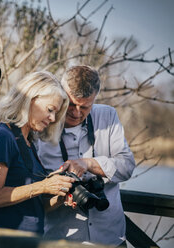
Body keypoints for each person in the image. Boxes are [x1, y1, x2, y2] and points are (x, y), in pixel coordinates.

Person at [35, 65, 136, 246]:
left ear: (95, 98)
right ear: (62, 93)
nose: (76, 113)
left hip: (110, 238)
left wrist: (88, 164)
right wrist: (61, 190)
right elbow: (32, 189)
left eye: (85, 107)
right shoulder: (41, 124)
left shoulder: (108, 115)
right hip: (61, 240)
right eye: (71, 104)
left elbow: (127, 166)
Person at [0, 71, 76, 234]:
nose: (52, 118)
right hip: (2, 241)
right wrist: (43, 186)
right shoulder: (2, 136)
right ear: (30, 99)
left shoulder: (28, 143)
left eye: (56, 113)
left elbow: (33, 206)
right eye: (50, 109)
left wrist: (59, 194)